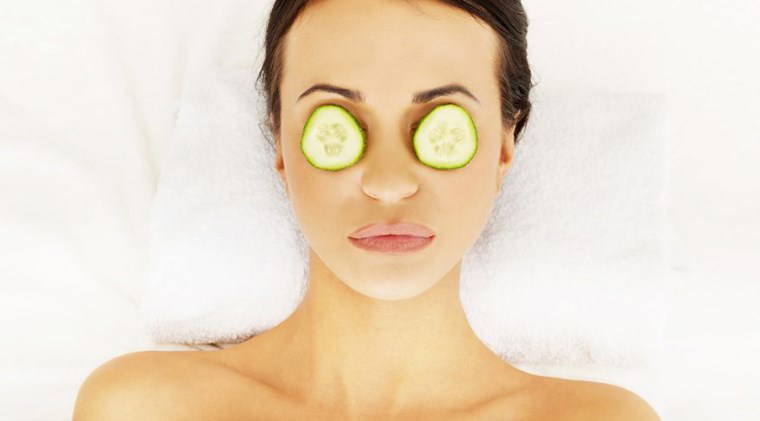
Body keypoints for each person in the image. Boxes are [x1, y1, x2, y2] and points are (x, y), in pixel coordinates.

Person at [73, 0, 661, 419]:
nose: (388, 182)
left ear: (505, 145)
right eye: (337, 125)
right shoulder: (143, 407)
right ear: (280, 145)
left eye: (441, 126)